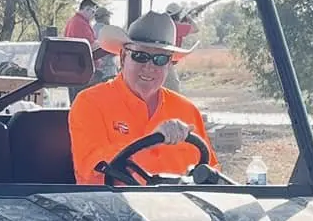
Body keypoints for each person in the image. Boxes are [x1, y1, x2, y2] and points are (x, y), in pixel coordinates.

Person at [69, 11, 220, 184]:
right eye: (140, 56)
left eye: (160, 59)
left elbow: (211, 173)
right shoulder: (90, 103)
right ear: (124, 57)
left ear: (169, 64)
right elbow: (90, 169)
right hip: (113, 208)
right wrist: (150, 140)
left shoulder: (187, 110)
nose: (149, 67)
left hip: (180, 208)